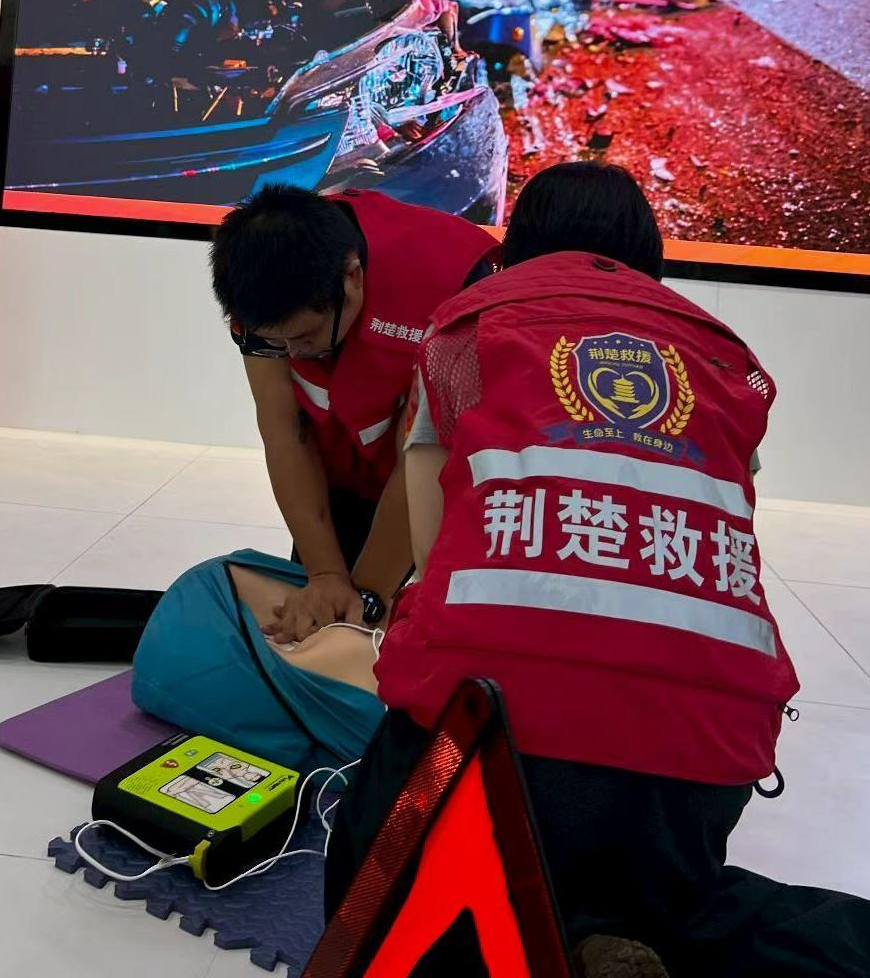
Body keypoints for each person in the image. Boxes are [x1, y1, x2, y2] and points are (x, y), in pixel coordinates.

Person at [326, 162, 870, 978]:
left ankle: (572, 929)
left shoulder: (465, 331)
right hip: (702, 756)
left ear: (516, 247)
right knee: (670, 902)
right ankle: (635, 927)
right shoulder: (724, 359)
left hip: (485, 731)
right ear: (648, 254)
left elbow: (434, 562)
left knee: (374, 889)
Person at [210, 184, 497, 646]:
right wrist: (325, 575)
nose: (293, 354)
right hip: (343, 466)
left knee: (424, 632)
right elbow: (285, 431)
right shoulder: (260, 296)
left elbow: (423, 456)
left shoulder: (452, 285)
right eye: (275, 343)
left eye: (304, 337)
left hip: (439, 475)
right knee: (318, 621)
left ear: (352, 278)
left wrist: (366, 597)